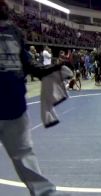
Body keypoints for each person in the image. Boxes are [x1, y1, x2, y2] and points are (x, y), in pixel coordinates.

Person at [0, 1, 69, 195]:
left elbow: (28, 63)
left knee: (25, 156)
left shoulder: (14, 31)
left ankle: (45, 193)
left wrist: (49, 70)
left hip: (15, 106)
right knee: (24, 155)